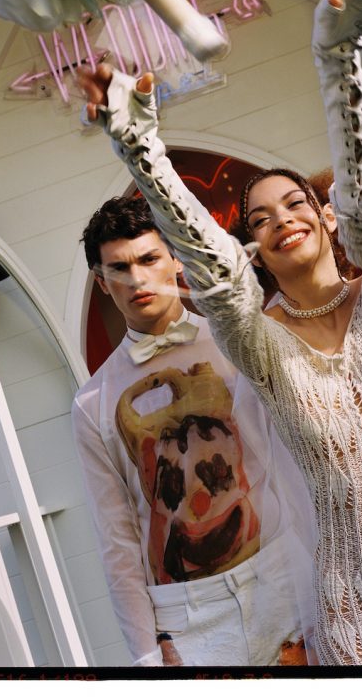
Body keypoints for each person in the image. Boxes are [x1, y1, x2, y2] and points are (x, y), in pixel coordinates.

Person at [78, 0, 362, 668]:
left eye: (294, 203)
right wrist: (142, 150)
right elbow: (216, 278)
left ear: (324, 218)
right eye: (258, 219)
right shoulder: (260, 345)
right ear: (254, 251)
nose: (280, 220)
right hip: (358, 628)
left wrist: (339, 56)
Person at [71, 195, 317, 667]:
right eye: (119, 268)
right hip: (189, 621)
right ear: (102, 282)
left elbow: (301, 460)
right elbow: (117, 537)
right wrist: (146, 655)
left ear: (175, 260)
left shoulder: (239, 342)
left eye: (149, 259)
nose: (137, 278)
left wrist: (325, 572)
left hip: (283, 578)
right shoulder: (91, 404)